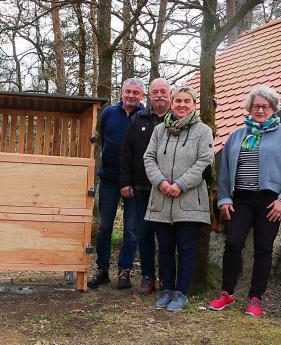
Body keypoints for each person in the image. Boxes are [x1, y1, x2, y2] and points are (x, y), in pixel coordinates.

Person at [208, 85, 281, 317]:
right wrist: (224, 199)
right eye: (256, 106)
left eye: (265, 107)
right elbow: (225, 170)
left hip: (270, 201)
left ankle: (256, 297)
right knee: (233, 244)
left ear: (274, 109)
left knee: (263, 249)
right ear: (249, 108)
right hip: (241, 199)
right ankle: (226, 292)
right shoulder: (237, 135)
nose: (260, 110)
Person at [143, 86, 214, 311]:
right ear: (172, 103)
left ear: (194, 105)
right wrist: (161, 182)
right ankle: (167, 289)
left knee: (186, 248)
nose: (182, 105)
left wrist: (181, 184)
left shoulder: (203, 131)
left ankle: (181, 292)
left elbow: (205, 162)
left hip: (189, 200)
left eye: (187, 101)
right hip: (161, 198)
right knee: (164, 248)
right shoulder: (159, 130)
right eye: (178, 101)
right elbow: (148, 158)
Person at [89, 78, 146, 289]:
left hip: (135, 182)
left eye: (136, 93)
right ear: (122, 92)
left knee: (131, 229)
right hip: (110, 179)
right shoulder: (108, 113)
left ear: (142, 96)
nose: (131, 95)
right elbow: (104, 141)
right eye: (128, 91)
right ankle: (102, 269)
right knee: (104, 226)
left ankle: (124, 271)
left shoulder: (145, 116)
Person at [119, 78, 173, 295]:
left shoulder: (177, 118)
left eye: (163, 91)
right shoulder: (138, 119)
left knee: (167, 236)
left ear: (170, 94)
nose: (159, 95)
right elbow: (126, 152)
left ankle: (167, 277)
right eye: (155, 91)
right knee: (144, 234)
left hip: (169, 188)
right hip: (141, 187)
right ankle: (148, 276)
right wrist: (125, 182)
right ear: (149, 95)